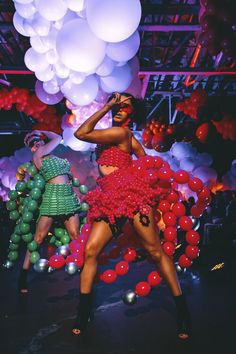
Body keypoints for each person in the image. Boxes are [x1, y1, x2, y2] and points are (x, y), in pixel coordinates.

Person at [73, 92, 191, 339]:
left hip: (131, 195)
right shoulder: (129, 139)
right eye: (116, 104)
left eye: (123, 106)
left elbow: (80, 133)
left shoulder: (121, 133)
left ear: (131, 113)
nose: (118, 108)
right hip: (109, 197)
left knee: (155, 251)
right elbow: (146, 163)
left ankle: (182, 312)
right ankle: (83, 312)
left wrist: (106, 106)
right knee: (92, 251)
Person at [18, 130, 80, 293]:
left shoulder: (56, 157)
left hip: (68, 197)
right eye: (32, 143)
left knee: (76, 237)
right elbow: (58, 137)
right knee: (38, 238)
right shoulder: (38, 155)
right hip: (52, 198)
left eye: (38, 140)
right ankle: (23, 276)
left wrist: (41, 132)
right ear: (31, 149)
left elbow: (58, 139)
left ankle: (85, 275)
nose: (36, 144)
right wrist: (42, 132)